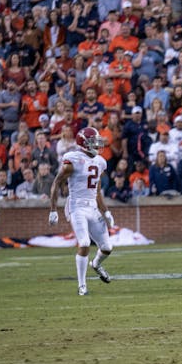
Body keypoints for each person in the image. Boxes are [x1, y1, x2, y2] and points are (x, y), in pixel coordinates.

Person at [48, 127, 116, 296]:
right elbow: (57, 183)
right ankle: (82, 285)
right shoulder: (73, 160)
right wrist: (53, 210)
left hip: (92, 207)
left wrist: (106, 212)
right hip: (76, 206)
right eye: (94, 141)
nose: (98, 144)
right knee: (84, 243)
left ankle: (97, 264)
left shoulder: (100, 162)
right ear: (84, 144)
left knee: (107, 247)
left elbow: (97, 190)